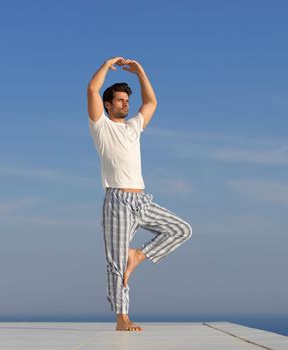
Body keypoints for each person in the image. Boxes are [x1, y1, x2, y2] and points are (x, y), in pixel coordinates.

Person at [86, 57, 192, 331]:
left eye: (126, 100)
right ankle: (122, 318)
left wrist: (141, 72)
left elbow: (151, 103)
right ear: (108, 105)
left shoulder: (134, 127)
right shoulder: (101, 127)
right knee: (116, 263)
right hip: (117, 202)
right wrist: (107, 64)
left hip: (141, 200)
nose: (125, 103)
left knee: (181, 230)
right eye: (119, 100)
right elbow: (91, 90)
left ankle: (138, 256)